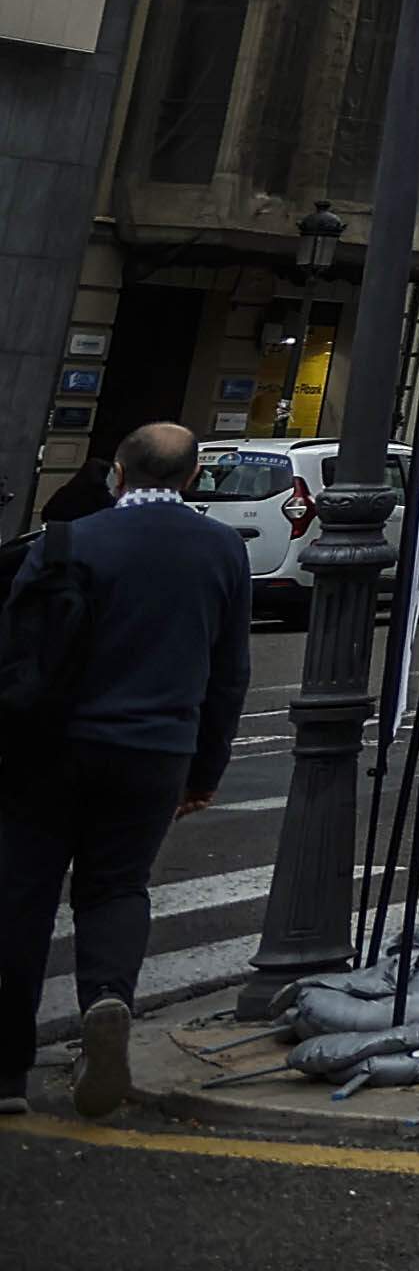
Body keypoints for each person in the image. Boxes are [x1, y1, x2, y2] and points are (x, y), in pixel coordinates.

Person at [0, 428, 245, 1118]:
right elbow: (229, 675)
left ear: (118, 474)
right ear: (194, 476)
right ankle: (106, 1000)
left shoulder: (70, 541)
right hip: (157, 749)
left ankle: (6, 1074)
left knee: (21, 894)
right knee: (116, 888)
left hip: (50, 746)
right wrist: (206, 770)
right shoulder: (222, 549)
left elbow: (18, 653)